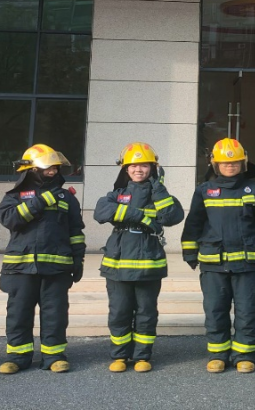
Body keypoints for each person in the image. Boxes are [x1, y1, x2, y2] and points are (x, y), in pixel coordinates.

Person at [181, 138, 255, 374]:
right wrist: (189, 250)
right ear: (215, 165)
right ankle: (218, 355)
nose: (230, 165)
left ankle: (245, 355)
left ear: (243, 163)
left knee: (247, 312)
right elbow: (194, 223)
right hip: (214, 264)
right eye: (225, 162)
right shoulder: (204, 191)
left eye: (235, 162)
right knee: (215, 310)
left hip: (248, 264)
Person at [94, 143, 185, 372]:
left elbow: (172, 216)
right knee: (119, 312)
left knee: (146, 313)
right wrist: (141, 217)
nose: (138, 169)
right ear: (126, 169)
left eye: (144, 165)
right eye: (133, 165)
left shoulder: (160, 195)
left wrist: (159, 189)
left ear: (152, 168)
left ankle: (142, 356)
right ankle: (120, 356)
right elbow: (100, 211)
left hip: (149, 264)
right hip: (118, 264)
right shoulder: (117, 194)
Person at [0, 144, 86, 375]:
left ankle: (54, 356)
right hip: (21, 268)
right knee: (18, 314)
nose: (53, 172)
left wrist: (78, 259)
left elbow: (76, 231)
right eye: (48, 168)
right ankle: (17, 357)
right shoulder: (14, 196)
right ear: (32, 170)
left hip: (56, 268)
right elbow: (10, 219)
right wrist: (41, 201)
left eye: (55, 168)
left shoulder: (66, 198)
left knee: (55, 314)